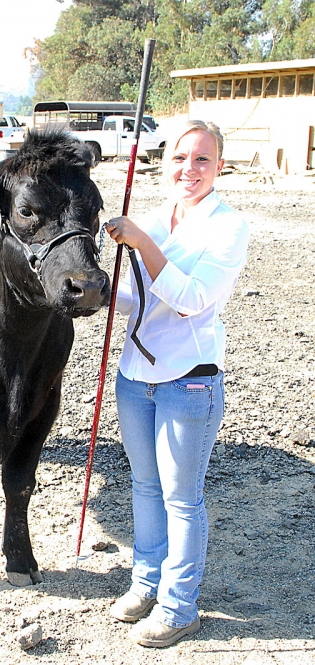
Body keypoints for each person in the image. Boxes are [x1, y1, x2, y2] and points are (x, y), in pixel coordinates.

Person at [104, 120, 249, 648]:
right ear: (164, 162)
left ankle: (179, 605)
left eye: (202, 159)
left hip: (190, 383)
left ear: (220, 166)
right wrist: (99, 293)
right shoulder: (152, 218)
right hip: (135, 377)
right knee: (144, 487)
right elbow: (136, 301)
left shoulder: (229, 227)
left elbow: (190, 299)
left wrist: (142, 244)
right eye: (180, 158)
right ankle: (146, 584)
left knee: (181, 498)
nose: (189, 169)